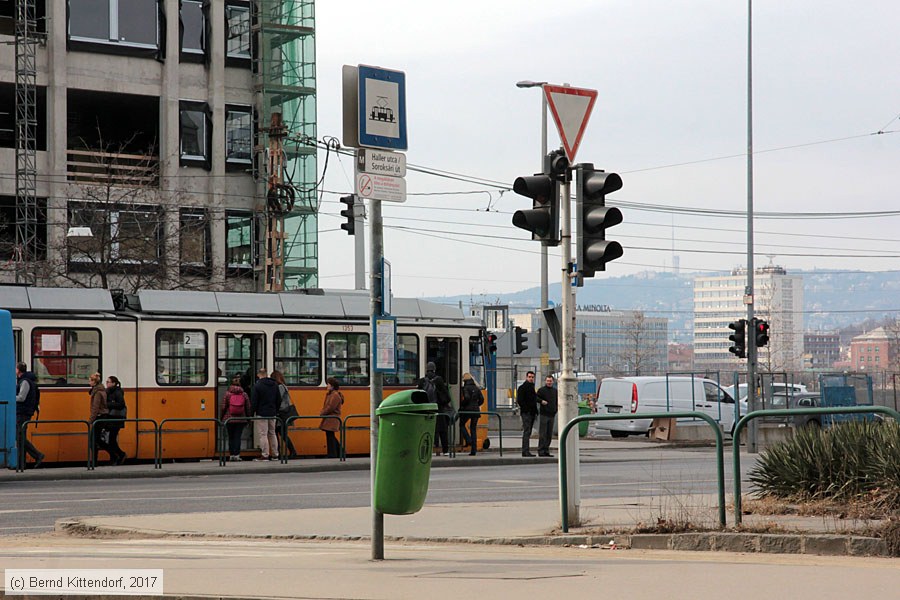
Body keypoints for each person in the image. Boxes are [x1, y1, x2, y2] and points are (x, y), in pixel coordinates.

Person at [15, 362, 44, 468]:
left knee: (20, 437)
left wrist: (11, 397)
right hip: (23, 412)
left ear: (18, 370)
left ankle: (38, 455)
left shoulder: (25, 382)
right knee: (20, 437)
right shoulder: (25, 381)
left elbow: (21, 397)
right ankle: (21, 463)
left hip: (23, 413)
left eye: (16, 368)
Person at [419, 362, 452, 456]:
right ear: (434, 369)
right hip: (438, 408)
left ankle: (430, 449)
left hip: (426, 409)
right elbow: (446, 396)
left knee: (428, 430)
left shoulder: (422, 381)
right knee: (442, 430)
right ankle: (445, 450)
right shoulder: (439, 380)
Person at [251, 368, 280, 460]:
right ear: (266, 374)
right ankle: (275, 454)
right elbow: (278, 399)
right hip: (273, 412)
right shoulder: (274, 384)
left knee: (263, 434)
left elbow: (254, 401)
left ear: (259, 375)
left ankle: (265, 454)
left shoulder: (257, 385)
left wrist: (252, 413)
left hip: (262, 413)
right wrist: (275, 410)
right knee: (272, 433)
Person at [221, 375, 251, 461]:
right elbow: (248, 407)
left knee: (231, 437)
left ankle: (231, 454)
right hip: (241, 419)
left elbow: (223, 407)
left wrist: (222, 417)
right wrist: (248, 418)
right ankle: (237, 455)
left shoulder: (227, 394)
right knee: (237, 436)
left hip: (229, 419)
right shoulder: (244, 394)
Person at [88, 372, 115, 464]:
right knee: (96, 440)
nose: (89, 383)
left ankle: (113, 454)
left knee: (94, 440)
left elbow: (95, 407)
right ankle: (95, 461)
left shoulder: (98, 393)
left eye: (90, 381)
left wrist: (90, 420)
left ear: (94, 382)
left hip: (99, 417)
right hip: (101, 416)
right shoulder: (100, 390)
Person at [272, 370, 299, 459]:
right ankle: (287, 452)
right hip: (283, 412)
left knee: (279, 433)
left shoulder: (279, 387)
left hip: (281, 413)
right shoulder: (283, 386)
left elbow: (278, 400)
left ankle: (288, 452)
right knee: (281, 434)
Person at [104, 375, 127, 465]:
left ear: (113, 383)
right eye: (106, 382)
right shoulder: (109, 391)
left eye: (108, 382)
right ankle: (117, 456)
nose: (107, 383)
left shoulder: (117, 392)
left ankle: (120, 455)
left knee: (112, 439)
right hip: (112, 418)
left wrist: (108, 404)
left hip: (116, 418)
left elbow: (121, 404)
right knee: (111, 439)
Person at [459, 373, 483, 456]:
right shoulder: (476, 388)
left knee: (461, 424)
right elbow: (481, 399)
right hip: (476, 411)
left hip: (467, 410)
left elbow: (467, 398)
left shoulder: (465, 388)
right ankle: (474, 450)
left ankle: (468, 440)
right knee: (473, 429)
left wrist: (463, 404)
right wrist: (476, 405)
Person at [319, 377, 344, 458]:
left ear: (332, 386)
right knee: (330, 435)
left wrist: (323, 412)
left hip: (332, 418)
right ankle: (340, 451)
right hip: (330, 418)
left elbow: (330, 407)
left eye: (328, 384)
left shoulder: (335, 395)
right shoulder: (332, 394)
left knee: (330, 436)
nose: (327, 386)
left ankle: (332, 454)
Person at [517, 371, 538, 457]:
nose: (531, 378)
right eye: (529, 377)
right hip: (526, 413)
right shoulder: (522, 388)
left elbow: (534, 400)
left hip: (531, 413)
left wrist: (535, 411)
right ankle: (525, 451)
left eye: (532, 377)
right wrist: (526, 409)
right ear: (526, 377)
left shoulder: (532, 387)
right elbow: (520, 400)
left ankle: (526, 450)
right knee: (527, 431)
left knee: (528, 432)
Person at [536, 375, 558, 457]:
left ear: (553, 382)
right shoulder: (541, 390)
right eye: (548, 381)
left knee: (549, 434)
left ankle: (546, 450)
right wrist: (541, 401)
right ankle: (541, 450)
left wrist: (556, 409)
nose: (549, 382)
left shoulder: (555, 391)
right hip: (544, 414)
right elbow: (536, 398)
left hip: (552, 415)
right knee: (543, 433)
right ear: (545, 381)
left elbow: (557, 400)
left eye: (550, 381)